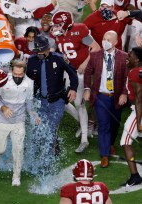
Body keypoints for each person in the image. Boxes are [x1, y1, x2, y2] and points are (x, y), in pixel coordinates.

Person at [50, 10, 101, 153]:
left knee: (79, 103)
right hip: (68, 71)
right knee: (62, 101)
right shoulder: (58, 35)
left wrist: (85, 63)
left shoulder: (79, 30)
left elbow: (96, 48)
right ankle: (82, 123)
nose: (55, 28)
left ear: (66, 24)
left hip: (82, 71)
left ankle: (84, 139)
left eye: (58, 25)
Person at [0, 59, 40, 186]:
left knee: (18, 150)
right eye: (15, 74)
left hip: (19, 120)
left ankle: (16, 177)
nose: (17, 76)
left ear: (24, 73)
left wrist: (33, 114)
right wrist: (3, 108)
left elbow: (29, 102)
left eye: (20, 74)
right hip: (1, 119)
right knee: (1, 149)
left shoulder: (29, 83)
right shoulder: (3, 80)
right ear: (12, 71)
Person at [84, 30, 129, 168]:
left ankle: (110, 144)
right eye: (104, 38)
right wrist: (87, 89)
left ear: (115, 42)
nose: (105, 41)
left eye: (109, 39)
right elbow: (87, 72)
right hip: (101, 96)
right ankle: (104, 154)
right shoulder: (94, 55)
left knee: (115, 124)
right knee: (103, 125)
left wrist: (124, 93)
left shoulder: (124, 57)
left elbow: (128, 77)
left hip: (116, 96)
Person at [26, 35, 78, 154]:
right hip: (40, 101)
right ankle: (53, 145)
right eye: (37, 51)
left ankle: (47, 162)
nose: (39, 54)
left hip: (57, 101)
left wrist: (73, 89)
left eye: (42, 51)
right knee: (40, 129)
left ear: (48, 49)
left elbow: (73, 73)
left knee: (50, 129)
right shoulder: (31, 60)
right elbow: (27, 79)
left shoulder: (59, 58)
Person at [119, 47, 142, 186]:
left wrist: (139, 122)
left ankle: (135, 176)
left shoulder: (134, 73)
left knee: (126, 142)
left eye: (131, 55)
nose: (128, 56)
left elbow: (139, 99)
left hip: (139, 111)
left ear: (137, 59)